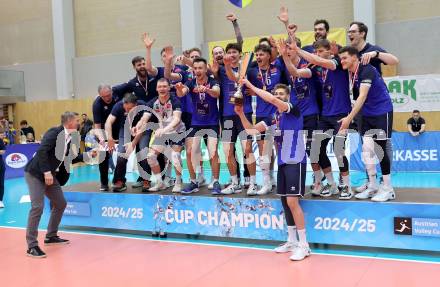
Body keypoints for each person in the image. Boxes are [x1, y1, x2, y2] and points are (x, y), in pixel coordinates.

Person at [236, 79, 310, 261]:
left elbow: (273, 101)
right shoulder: (272, 118)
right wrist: (240, 114)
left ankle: (304, 246)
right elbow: (252, 130)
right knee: (285, 203)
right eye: (276, 94)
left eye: (281, 94)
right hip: (283, 163)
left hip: (295, 160)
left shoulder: (293, 109)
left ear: (287, 97)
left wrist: (250, 86)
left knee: (293, 202)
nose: (277, 97)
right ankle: (292, 241)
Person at [24, 112, 96, 258]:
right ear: (69, 122)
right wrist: (46, 172)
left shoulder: (70, 138)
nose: (79, 123)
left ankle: (51, 236)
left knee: (61, 203)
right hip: (36, 174)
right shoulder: (54, 132)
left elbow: (69, 158)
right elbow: (42, 151)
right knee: (37, 207)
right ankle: (31, 246)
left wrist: (87, 155)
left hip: (50, 175)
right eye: (76, 121)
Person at [294, 39, 353, 200]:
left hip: (342, 115)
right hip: (326, 116)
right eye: (316, 52)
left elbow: (316, 60)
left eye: (320, 51)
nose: (317, 55)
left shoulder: (337, 63)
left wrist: (298, 50)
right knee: (315, 150)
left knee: (339, 150)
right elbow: (298, 72)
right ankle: (332, 184)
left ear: (329, 51)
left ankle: (347, 186)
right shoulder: (317, 70)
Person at [338, 46, 394, 202]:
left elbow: (362, 96)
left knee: (380, 149)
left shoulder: (366, 70)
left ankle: (388, 188)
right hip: (367, 113)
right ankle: (373, 185)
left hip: (382, 111)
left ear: (355, 57)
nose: (341, 61)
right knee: (366, 149)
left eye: (344, 58)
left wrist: (348, 118)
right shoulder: (350, 73)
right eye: (341, 58)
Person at [277, 38, 323, 193]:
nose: (287, 51)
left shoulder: (307, 64)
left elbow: (295, 72)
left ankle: (319, 181)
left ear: (296, 49)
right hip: (296, 115)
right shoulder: (285, 66)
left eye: (289, 48)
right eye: (285, 49)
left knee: (312, 149)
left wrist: (284, 56)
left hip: (310, 113)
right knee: (297, 149)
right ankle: (307, 179)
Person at [215, 43, 258, 195]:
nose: (232, 54)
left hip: (244, 114)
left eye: (235, 52)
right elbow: (230, 76)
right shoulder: (220, 70)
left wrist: (249, 88)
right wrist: (226, 66)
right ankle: (235, 183)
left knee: (247, 149)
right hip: (227, 116)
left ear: (240, 54)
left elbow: (242, 81)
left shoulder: (248, 70)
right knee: (227, 151)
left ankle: (253, 183)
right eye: (229, 52)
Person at [175, 57, 222, 195]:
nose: (197, 71)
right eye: (195, 68)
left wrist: (206, 90)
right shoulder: (190, 82)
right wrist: (179, 89)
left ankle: (216, 181)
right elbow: (182, 92)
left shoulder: (213, 81)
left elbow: (217, 93)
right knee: (190, 152)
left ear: (206, 69)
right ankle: (194, 182)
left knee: (213, 152)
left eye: (200, 68)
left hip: (212, 122)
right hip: (196, 123)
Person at [135, 78, 186, 192]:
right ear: (157, 88)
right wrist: (138, 125)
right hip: (163, 132)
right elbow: (145, 118)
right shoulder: (153, 102)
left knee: (175, 156)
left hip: (176, 131)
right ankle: (160, 183)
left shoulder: (175, 101)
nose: (162, 89)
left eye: (164, 86)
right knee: (151, 157)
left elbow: (177, 119)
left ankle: (178, 182)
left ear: (168, 88)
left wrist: (164, 129)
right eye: (160, 86)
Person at [105, 93, 150, 192]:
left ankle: (146, 179)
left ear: (136, 105)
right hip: (125, 130)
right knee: (121, 155)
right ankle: (119, 181)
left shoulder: (143, 106)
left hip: (143, 129)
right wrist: (109, 138)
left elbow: (143, 125)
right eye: (126, 109)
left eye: (130, 109)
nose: (127, 111)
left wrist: (133, 144)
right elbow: (108, 122)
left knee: (143, 153)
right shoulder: (118, 106)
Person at [92, 84, 119, 191]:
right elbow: (97, 127)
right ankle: (104, 183)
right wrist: (102, 140)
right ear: (99, 95)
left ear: (111, 92)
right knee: (103, 156)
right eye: (104, 96)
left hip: (118, 129)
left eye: (109, 95)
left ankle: (118, 181)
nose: (107, 98)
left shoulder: (118, 95)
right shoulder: (97, 104)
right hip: (103, 132)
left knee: (121, 157)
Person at [0, 128, 6, 208]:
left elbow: (3, 151)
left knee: (0, 183)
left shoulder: (0, 141)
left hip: (0, 166)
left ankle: (0, 201)